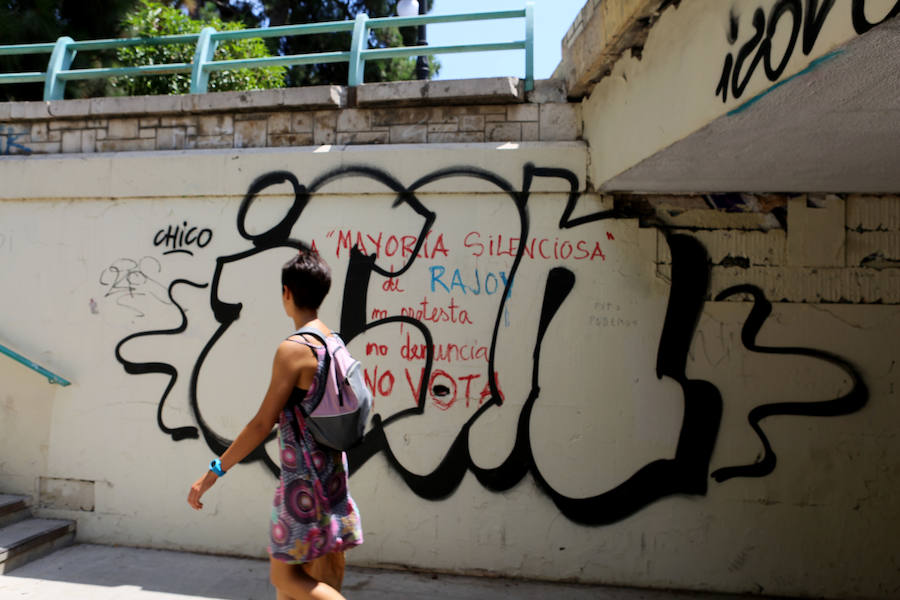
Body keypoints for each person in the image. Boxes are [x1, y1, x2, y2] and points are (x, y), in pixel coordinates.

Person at [188, 247, 363, 600]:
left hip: (303, 485)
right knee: (301, 587)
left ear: (287, 293)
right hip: (331, 476)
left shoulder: (294, 349)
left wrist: (212, 473)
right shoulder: (334, 342)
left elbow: (261, 424)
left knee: (285, 579)